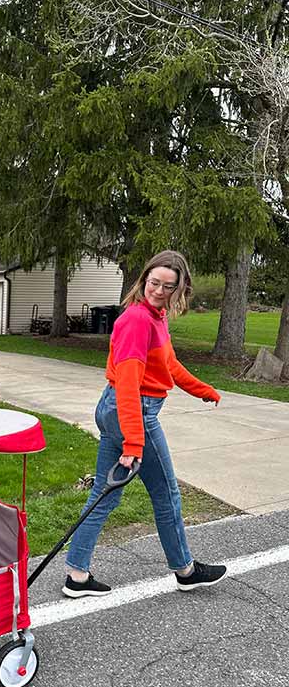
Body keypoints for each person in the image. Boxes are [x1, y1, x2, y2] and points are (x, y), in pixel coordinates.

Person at [63, 250, 227, 598]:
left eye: (168, 286)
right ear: (144, 279)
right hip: (133, 411)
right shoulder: (138, 320)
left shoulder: (157, 316)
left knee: (103, 495)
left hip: (118, 410)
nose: (159, 290)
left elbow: (168, 365)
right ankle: (185, 570)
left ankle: (76, 574)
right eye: (154, 283)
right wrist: (134, 444)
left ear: (179, 288)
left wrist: (203, 390)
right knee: (166, 493)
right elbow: (128, 382)